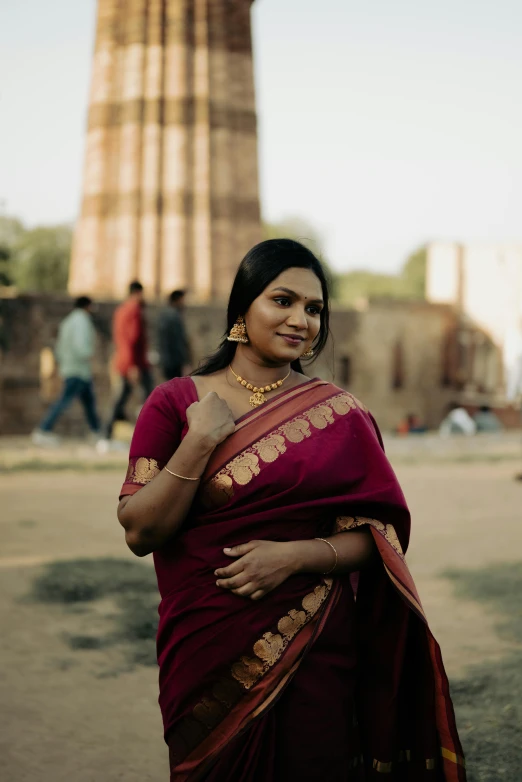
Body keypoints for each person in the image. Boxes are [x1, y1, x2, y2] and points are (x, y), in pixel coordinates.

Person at [117, 240, 466, 781]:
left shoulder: (341, 414)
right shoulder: (175, 403)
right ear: (242, 310)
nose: (300, 320)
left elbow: (381, 538)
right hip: (204, 646)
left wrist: (294, 557)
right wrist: (197, 442)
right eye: (282, 301)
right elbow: (140, 530)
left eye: (313, 309)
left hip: (316, 647)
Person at [32, 296, 100, 446]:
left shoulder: (68, 322)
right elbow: (81, 346)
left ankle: (97, 432)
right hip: (78, 369)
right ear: (87, 306)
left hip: (71, 367)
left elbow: (59, 348)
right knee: (64, 400)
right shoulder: (81, 321)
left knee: (89, 402)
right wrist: (88, 355)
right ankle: (43, 430)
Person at [98, 280, 153, 450]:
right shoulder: (133, 310)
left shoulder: (121, 310)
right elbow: (131, 338)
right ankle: (107, 436)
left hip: (125, 361)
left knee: (122, 400)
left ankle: (107, 436)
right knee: (149, 400)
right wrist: (132, 366)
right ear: (137, 293)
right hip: (133, 363)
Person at [157, 289, 191, 381]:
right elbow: (178, 342)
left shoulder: (164, 315)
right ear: (178, 300)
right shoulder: (174, 317)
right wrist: (185, 362)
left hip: (166, 360)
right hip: (174, 362)